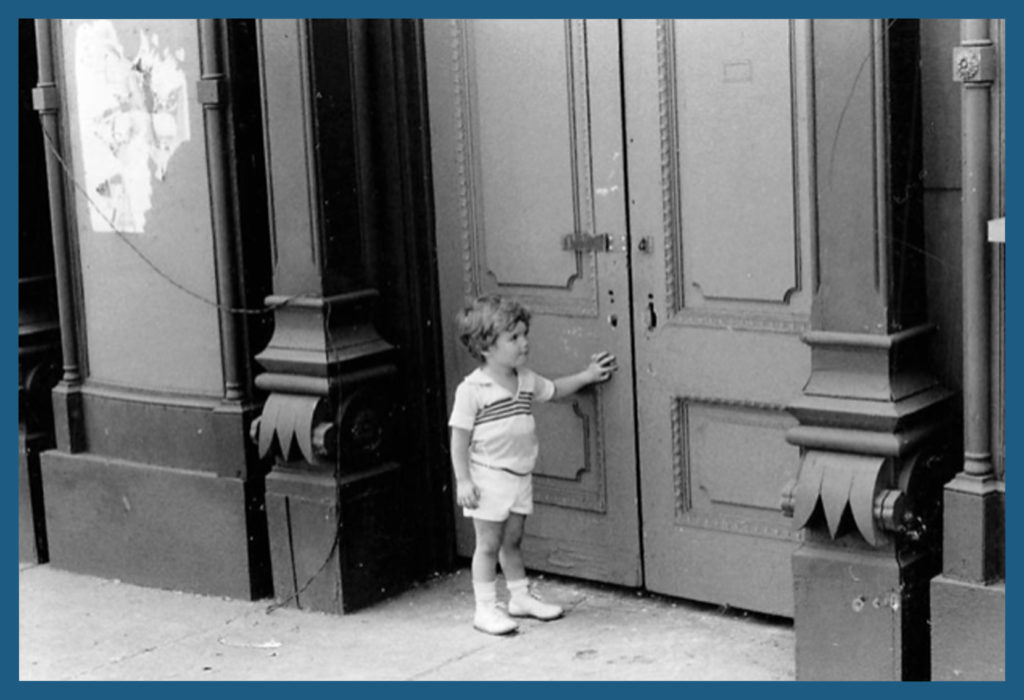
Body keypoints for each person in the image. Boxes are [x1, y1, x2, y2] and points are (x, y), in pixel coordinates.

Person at [449, 294, 618, 635]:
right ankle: (484, 609)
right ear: (486, 347)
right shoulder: (473, 390)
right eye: (513, 338)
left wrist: (587, 375)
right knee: (488, 545)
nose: (524, 343)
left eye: (524, 334)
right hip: (488, 479)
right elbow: (459, 438)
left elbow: (554, 390)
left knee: (513, 540)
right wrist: (463, 481)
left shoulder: (524, 379)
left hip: (518, 476)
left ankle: (519, 597)